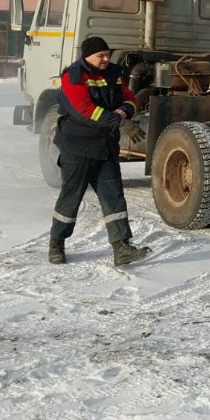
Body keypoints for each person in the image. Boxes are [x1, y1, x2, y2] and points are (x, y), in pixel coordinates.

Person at [47, 35, 151, 267]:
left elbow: (131, 99)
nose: (106, 58)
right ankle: (56, 243)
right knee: (71, 197)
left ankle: (121, 247)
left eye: (107, 54)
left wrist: (124, 112)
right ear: (87, 56)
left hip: (105, 146)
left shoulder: (114, 73)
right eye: (100, 55)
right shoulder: (73, 76)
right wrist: (120, 122)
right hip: (78, 146)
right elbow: (85, 110)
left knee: (113, 196)